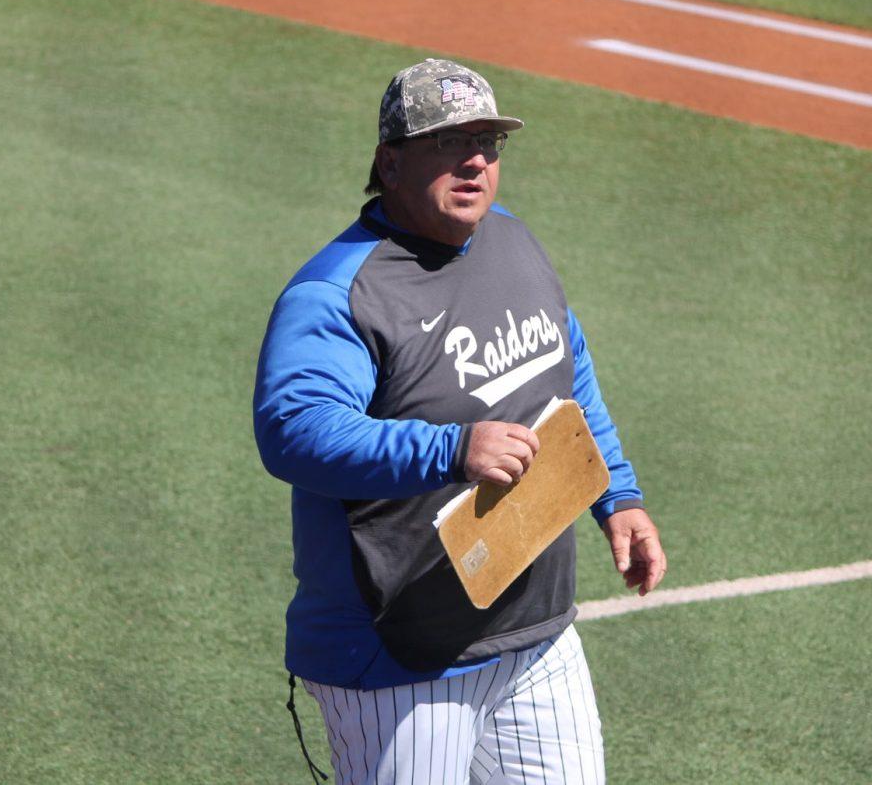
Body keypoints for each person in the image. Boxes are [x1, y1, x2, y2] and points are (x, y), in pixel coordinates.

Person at [253, 58, 667, 785]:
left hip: (533, 634)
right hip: (398, 657)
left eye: (488, 143)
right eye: (448, 143)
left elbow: (567, 369)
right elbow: (294, 428)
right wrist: (451, 449)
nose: (475, 160)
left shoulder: (511, 241)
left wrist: (618, 496)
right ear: (389, 159)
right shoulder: (339, 292)